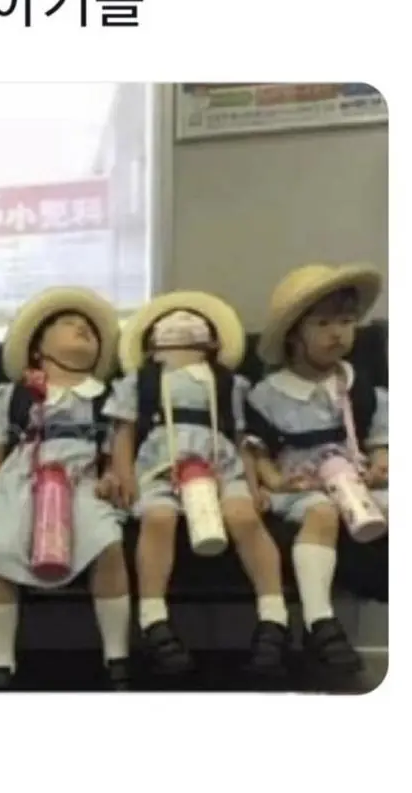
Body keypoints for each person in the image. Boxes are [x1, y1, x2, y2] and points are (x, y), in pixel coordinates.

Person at [106, 292, 289, 679]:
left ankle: (274, 615)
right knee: (158, 518)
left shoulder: (228, 384)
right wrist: (125, 475)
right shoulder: (139, 382)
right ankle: (153, 617)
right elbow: (123, 433)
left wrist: (252, 482)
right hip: (159, 467)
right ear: (152, 347)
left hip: (221, 464)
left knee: (243, 516)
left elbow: (240, 436)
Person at [0, 287, 133, 690]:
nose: (82, 328)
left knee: (106, 542)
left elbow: (113, 451)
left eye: (89, 329)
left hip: (82, 480)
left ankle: (117, 656)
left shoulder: (106, 397)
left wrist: (111, 475)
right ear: (38, 347)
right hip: (22, 480)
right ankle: (1, 662)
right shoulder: (12, 395)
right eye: (67, 323)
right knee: (0, 550)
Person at [244, 263, 387, 674]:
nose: (337, 333)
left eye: (346, 321)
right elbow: (257, 451)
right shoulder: (269, 393)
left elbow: (380, 438)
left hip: (356, 477)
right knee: (321, 512)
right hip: (302, 484)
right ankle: (319, 620)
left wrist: (380, 463)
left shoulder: (360, 385)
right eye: (322, 323)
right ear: (294, 334)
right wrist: (276, 480)